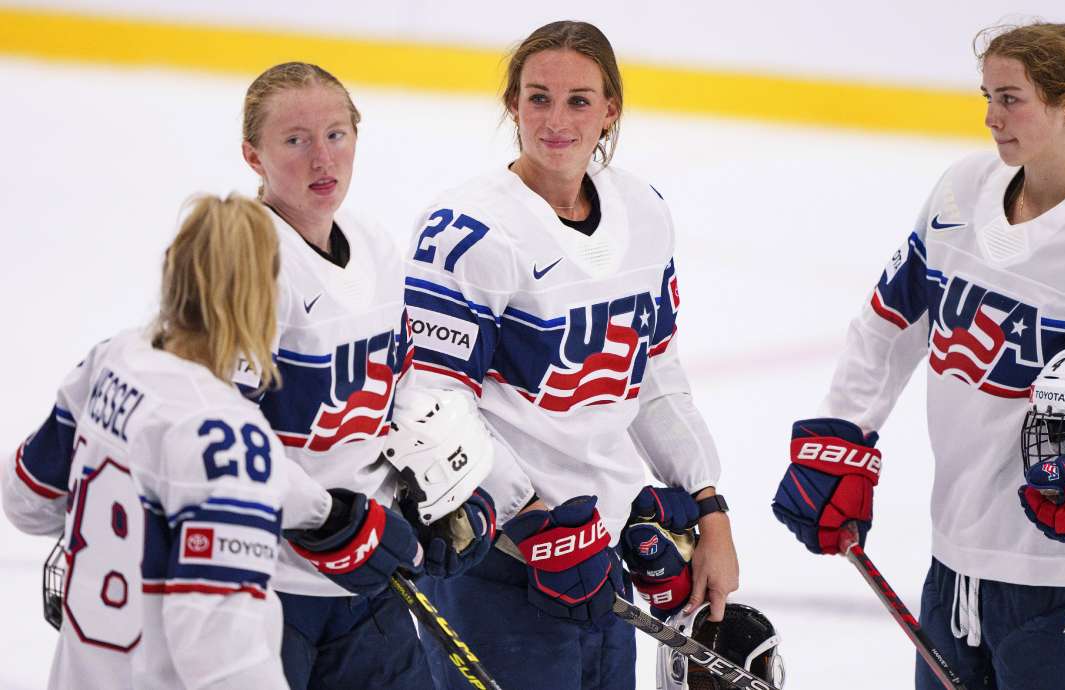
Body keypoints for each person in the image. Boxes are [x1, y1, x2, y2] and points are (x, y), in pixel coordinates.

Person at [770, 22, 1065, 690]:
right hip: (954, 561)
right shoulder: (961, 191)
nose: (991, 118)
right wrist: (845, 427)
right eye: (987, 96)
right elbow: (890, 320)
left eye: (1010, 99)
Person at [403, 20, 740, 690]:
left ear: (611, 109)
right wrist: (531, 519)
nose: (556, 121)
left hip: (602, 558)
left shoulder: (643, 212)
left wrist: (710, 506)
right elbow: (429, 400)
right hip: (494, 566)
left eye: (579, 100)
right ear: (512, 105)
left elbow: (653, 371)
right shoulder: (467, 231)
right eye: (538, 98)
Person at [1, 194, 341, 688]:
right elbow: (225, 663)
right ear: (261, 295)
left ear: (174, 269)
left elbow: (26, 498)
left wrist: (323, 512)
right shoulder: (229, 439)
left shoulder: (114, 360)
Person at [238, 62, 493, 690]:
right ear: (253, 155)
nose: (321, 159)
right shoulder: (244, 264)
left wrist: (438, 492)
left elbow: (397, 386)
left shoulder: (375, 246)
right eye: (294, 140)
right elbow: (213, 434)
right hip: (261, 590)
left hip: (370, 578)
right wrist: (320, 517)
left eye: (336, 134)